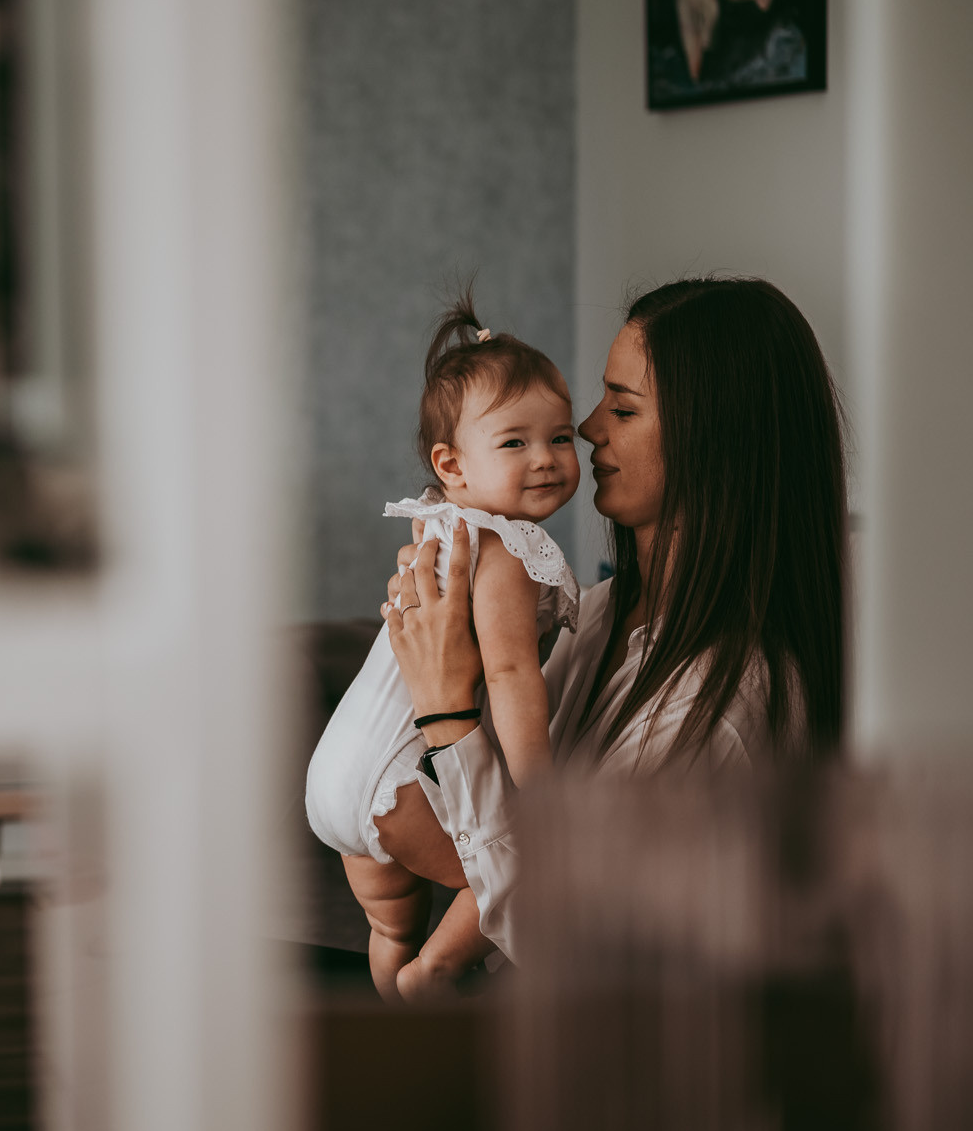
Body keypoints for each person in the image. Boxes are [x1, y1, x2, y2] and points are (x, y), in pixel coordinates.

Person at [378, 277, 846, 964]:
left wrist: (447, 714)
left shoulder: (721, 711)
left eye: (621, 409)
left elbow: (570, 941)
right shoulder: (590, 616)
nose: (588, 428)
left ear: (713, 439)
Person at [304, 294, 582, 1003]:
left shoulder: (439, 524)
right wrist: (537, 789)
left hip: (336, 771)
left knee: (392, 930)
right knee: (513, 866)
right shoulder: (509, 548)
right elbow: (513, 670)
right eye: (515, 442)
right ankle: (432, 981)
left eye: (560, 437)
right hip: (397, 780)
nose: (547, 459)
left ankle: (397, 1010)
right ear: (452, 463)